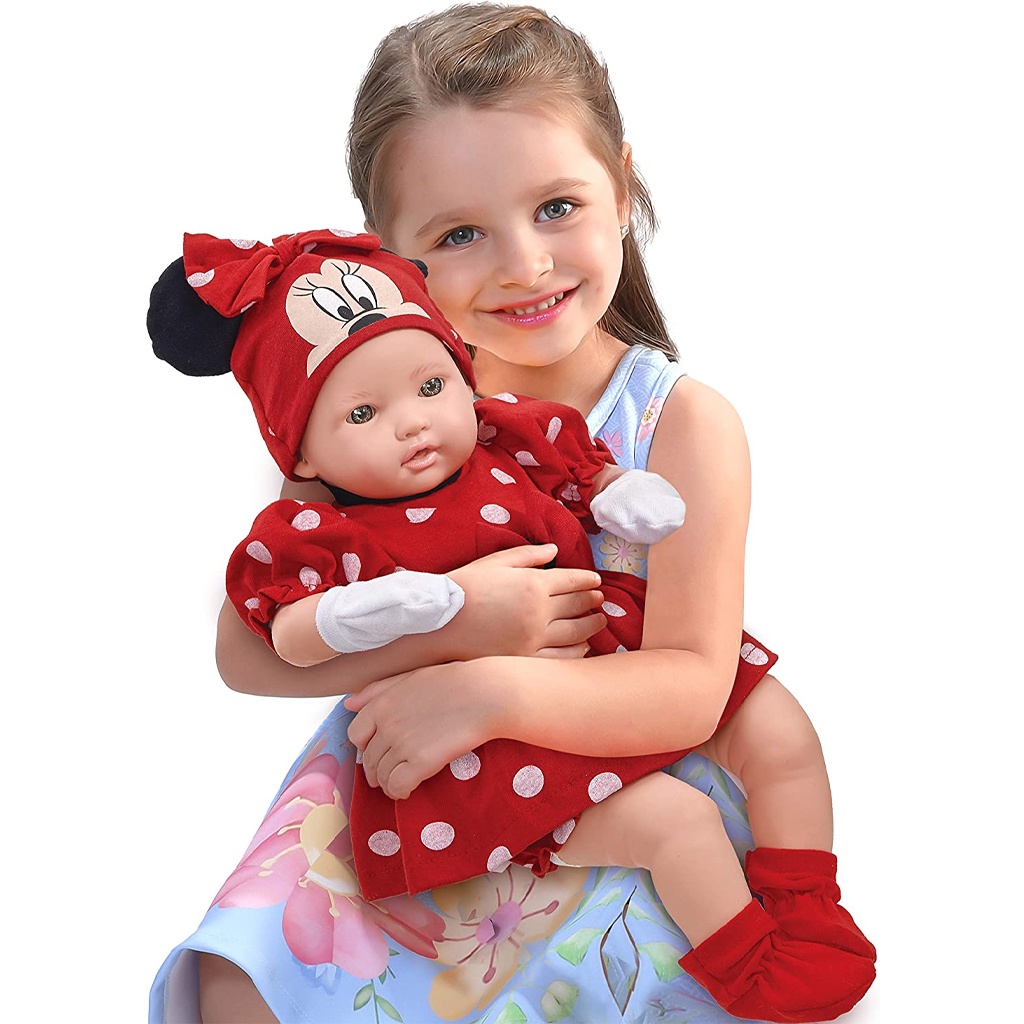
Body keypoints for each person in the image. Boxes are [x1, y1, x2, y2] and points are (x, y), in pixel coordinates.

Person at [148, 6, 876, 1023]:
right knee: (244, 981)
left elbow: (689, 688)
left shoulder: (678, 424)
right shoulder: (387, 406)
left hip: (626, 767)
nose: (523, 265)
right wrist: (463, 628)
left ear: (621, 188)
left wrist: (487, 689)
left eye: (556, 207)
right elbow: (250, 648)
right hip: (428, 774)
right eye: (459, 234)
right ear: (390, 258)